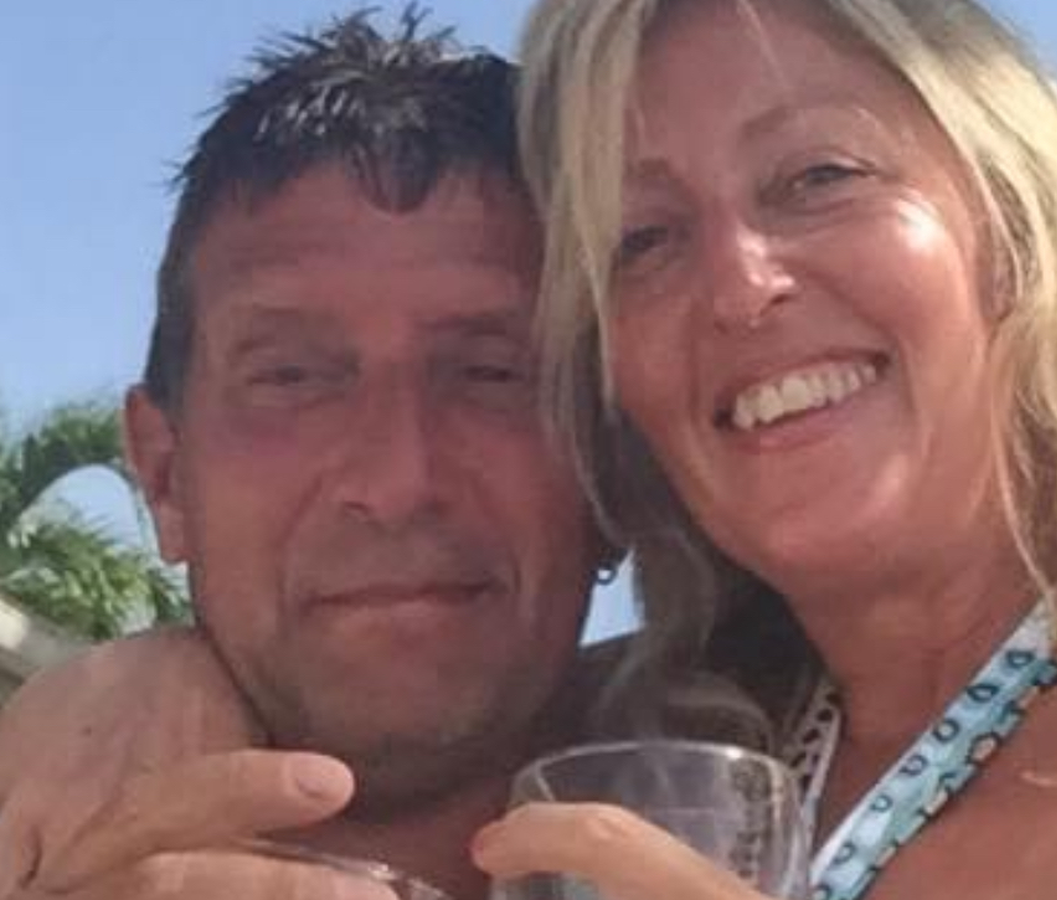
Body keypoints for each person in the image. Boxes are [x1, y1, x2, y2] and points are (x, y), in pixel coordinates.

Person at [467, 0, 1057, 898]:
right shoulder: (614, 752)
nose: (739, 288)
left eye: (819, 177)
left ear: (1017, 224)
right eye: (643, 239)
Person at [0, 10, 609, 900]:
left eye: (490, 372)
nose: (398, 481)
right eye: (291, 378)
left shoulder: (784, 822)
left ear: (613, 463)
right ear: (164, 476)